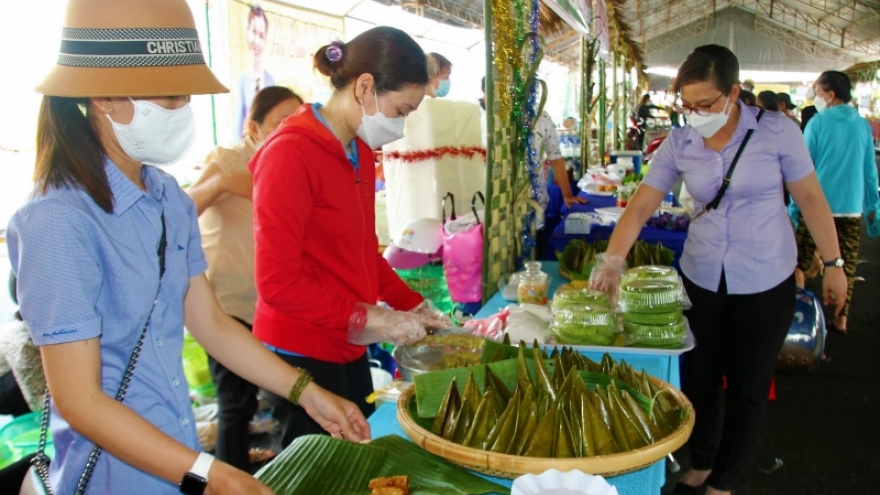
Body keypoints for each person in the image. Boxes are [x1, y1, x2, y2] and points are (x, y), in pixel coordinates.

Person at [6, 1, 369, 494]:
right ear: (103, 96)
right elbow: (80, 401)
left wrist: (306, 392)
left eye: (186, 97)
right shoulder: (56, 220)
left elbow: (212, 324)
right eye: (170, 97)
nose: (182, 111)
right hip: (114, 477)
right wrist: (211, 472)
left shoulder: (168, 198)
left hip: (175, 459)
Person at [590, 45, 847, 495]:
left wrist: (834, 262)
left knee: (749, 386)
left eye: (705, 104)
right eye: (687, 104)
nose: (696, 113)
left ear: (733, 92)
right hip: (703, 275)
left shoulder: (777, 133)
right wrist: (613, 261)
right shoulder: (681, 141)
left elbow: (809, 199)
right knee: (699, 378)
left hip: (767, 277)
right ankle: (703, 463)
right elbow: (641, 206)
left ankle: (725, 481)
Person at [248, 27, 454, 449]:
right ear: (365, 87)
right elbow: (276, 284)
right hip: (299, 349)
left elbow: (364, 252)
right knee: (324, 467)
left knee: (365, 448)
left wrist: (412, 305)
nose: (402, 124)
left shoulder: (357, 150)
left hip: (346, 340)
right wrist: (370, 318)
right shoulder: (290, 153)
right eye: (401, 110)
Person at [185, 86, 302, 471]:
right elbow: (187, 209)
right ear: (253, 126)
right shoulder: (230, 158)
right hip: (228, 307)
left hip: (274, 306)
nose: (290, 129)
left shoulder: (291, 163)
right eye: (279, 122)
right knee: (236, 404)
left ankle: (286, 475)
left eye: (296, 120)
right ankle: (229, 481)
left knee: (289, 397)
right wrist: (221, 183)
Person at [789, 71, 880, 333]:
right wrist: (873, 205)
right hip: (851, 207)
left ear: (830, 95)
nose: (814, 97)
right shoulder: (861, 125)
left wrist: (794, 208)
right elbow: (869, 170)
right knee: (845, 264)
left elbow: (803, 168)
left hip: (816, 206)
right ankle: (841, 318)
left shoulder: (817, 123)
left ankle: (797, 316)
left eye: (817, 92)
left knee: (799, 263)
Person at [234, 4, 276, 139]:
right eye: (253, 32)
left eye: (261, 35)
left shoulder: (270, 80)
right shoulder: (241, 80)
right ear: (247, 32)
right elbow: (237, 125)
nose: (257, 41)